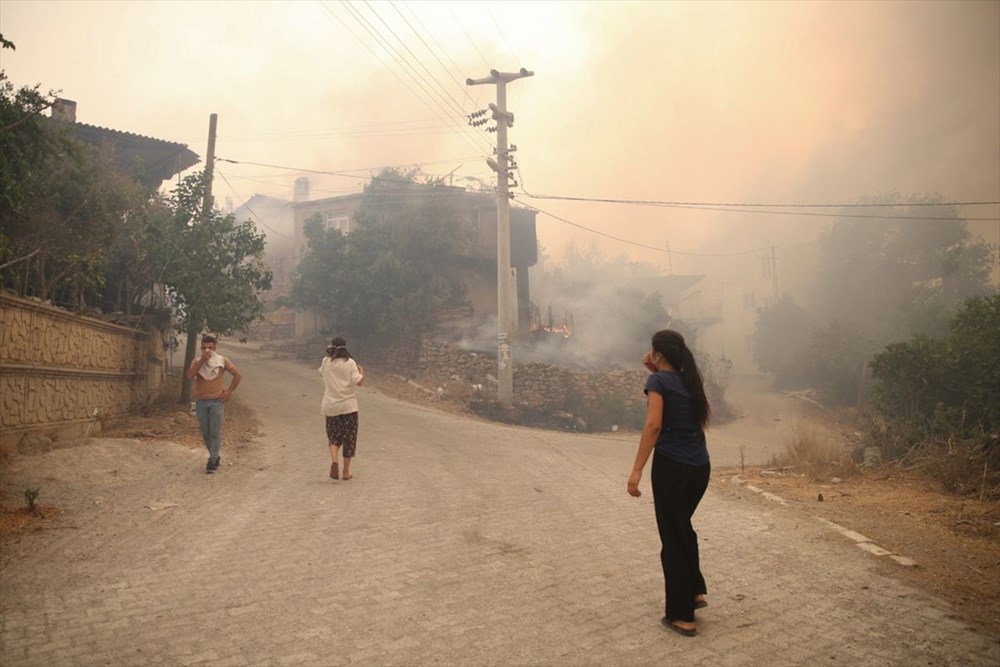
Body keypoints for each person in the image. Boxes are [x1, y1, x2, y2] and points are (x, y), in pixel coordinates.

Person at [627, 329, 711, 637]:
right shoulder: (689, 381)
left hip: (672, 469)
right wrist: (656, 373)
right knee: (682, 528)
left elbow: (654, 424)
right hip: (700, 468)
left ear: (659, 354)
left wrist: (636, 471)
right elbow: (672, 395)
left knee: (673, 537)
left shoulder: (658, 382)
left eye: (652, 350)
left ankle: (682, 616)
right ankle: (695, 591)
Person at [186, 334, 242, 474]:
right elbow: (189, 376)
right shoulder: (197, 362)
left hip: (217, 401)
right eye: (204, 347)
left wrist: (229, 391)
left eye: (210, 348)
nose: (207, 350)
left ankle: (212, 460)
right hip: (201, 402)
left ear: (215, 347)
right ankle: (215, 455)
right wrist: (201, 362)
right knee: (206, 432)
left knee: (215, 432)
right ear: (201, 348)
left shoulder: (222, 361)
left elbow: (237, 375)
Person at [319, 336, 364, 480]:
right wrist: (362, 372)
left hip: (330, 407)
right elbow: (359, 382)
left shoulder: (326, 362)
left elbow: (321, 373)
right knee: (349, 439)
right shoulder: (350, 363)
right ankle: (346, 472)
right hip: (348, 407)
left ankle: (334, 460)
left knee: (334, 437)